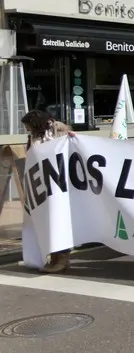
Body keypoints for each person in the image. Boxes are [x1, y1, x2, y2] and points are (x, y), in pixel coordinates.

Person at [21, 110, 75, 273]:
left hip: (58, 182)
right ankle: (54, 257)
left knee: (57, 219)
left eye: (28, 126)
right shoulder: (33, 136)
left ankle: (62, 258)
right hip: (43, 183)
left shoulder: (57, 129)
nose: (27, 129)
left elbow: (69, 146)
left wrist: (72, 136)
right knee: (46, 220)